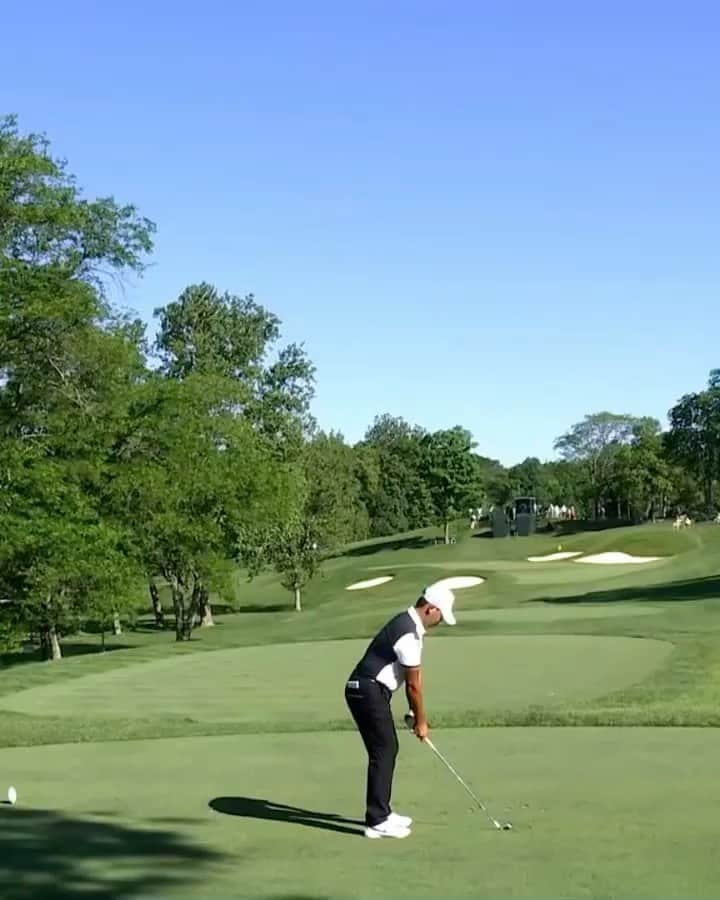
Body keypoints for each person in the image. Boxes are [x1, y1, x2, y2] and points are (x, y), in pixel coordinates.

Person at [344, 583, 457, 839]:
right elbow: (415, 685)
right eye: (441, 615)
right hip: (366, 690)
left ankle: (382, 812)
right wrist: (421, 721)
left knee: (385, 748)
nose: (440, 621)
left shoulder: (406, 624)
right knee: (384, 749)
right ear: (430, 609)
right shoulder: (408, 633)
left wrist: (412, 712)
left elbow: (409, 682)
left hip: (368, 690)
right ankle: (376, 820)